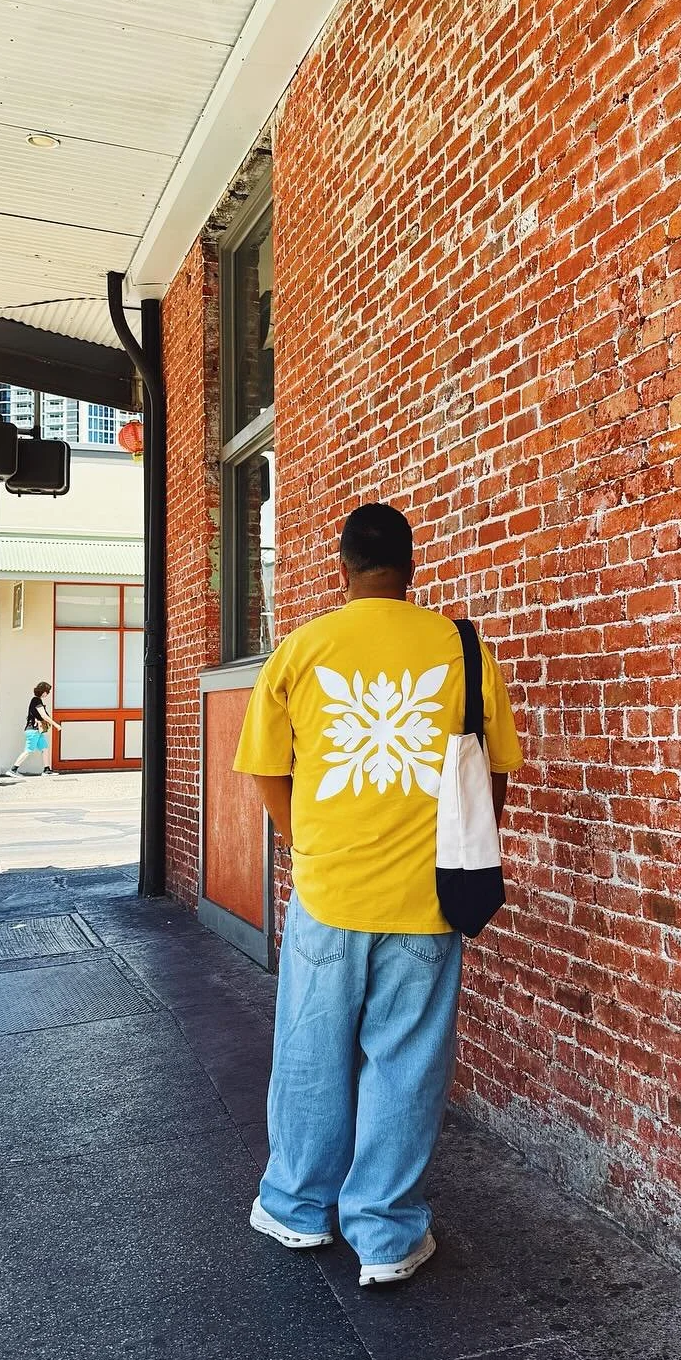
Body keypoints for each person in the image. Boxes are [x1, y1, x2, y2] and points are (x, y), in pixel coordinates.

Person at [234, 502, 523, 1287]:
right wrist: (468, 843)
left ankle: (296, 1208)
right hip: (429, 898)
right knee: (408, 1063)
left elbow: (264, 765)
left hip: (328, 893)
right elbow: (494, 772)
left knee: (309, 1054)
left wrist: (307, 841)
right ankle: (387, 1236)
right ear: (413, 570)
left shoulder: (302, 648)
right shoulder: (462, 648)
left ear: (341, 569)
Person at [7, 681, 55, 776]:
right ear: (43, 691)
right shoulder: (36, 700)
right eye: (47, 692)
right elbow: (43, 715)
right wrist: (56, 725)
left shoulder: (37, 700)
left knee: (45, 748)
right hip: (33, 730)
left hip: (38, 731)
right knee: (28, 750)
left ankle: (46, 770)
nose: (47, 694)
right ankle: (13, 769)